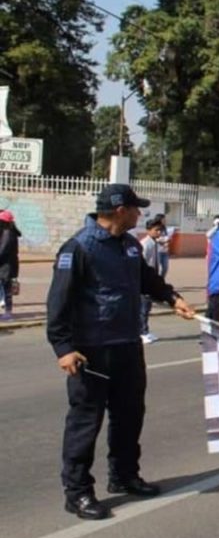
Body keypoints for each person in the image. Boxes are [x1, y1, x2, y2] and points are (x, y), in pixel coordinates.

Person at [45, 184, 195, 520]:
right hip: (92, 351)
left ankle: (124, 475)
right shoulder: (79, 248)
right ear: (119, 210)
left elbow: (147, 279)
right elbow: (58, 302)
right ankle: (78, 492)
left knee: (129, 415)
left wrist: (172, 298)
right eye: (135, 208)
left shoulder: (129, 245)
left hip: (127, 345)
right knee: (86, 422)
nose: (140, 214)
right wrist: (63, 348)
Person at [139, 219, 163, 344]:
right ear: (148, 230)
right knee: (143, 308)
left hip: (151, 279)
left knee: (147, 307)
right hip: (145, 280)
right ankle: (142, 332)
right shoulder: (145, 244)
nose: (159, 232)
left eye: (160, 230)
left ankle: (145, 330)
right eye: (156, 230)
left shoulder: (154, 243)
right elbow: (141, 264)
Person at [0, 209, 20, 320]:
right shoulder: (6, 232)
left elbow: (3, 251)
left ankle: (8, 312)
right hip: (6, 265)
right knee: (5, 288)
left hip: (6, 266)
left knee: (7, 289)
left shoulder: (8, 234)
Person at [152, 214, 173, 279]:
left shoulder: (165, 229)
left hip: (165, 252)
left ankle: (161, 280)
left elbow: (167, 238)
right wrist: (162, 242)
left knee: (165, 268)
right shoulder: (155, 228)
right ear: (159, 219)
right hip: (157, 251)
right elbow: (153, 239)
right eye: (164, 219)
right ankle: (155, 282)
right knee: (156, 268)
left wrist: (169, 241)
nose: (165, 220)